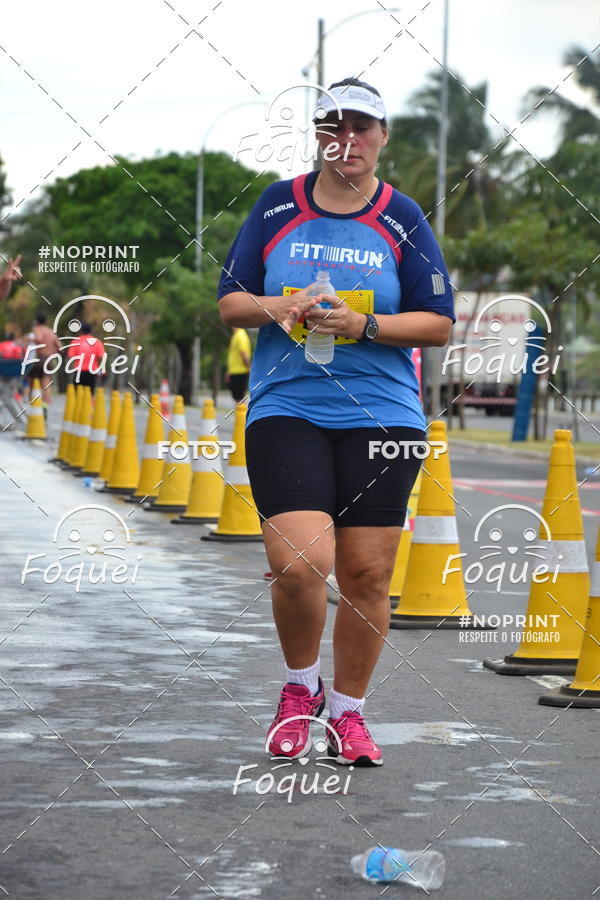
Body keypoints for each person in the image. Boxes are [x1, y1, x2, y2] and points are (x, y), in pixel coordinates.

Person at [217, 78, 454, 767]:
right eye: (332, 127)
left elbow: (437, 322)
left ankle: (348, 713)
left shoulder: (402, 216)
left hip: (382, 415)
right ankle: (299, 689)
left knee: (366, 576)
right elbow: (230, 303)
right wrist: (280, 307)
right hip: (288, 406)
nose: (346, 140)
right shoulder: (275, 206)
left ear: (383, 138)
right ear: (317, 135)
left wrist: (365, 323)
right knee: (299, 563)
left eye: (361, 128)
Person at [26, 312, 61, 406]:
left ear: (36, 321)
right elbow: (60, 347)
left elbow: (39, 338)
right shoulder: (51, 332)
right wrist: (53, 352)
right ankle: (45, 405)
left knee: (32, 382)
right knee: (46, 383)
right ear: (46, 321)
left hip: (40, 359)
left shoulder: (37, 329)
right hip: (49, 359)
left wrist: (29, 340)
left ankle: (32, 404)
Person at [66, 322, 105, 392]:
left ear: (81, 330)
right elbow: (102, 357)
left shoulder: (75, 341)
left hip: (79, 371)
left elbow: (70, 357)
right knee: (90, 393)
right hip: (92, 371)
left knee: (78, 393)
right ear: (91, 330)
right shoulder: (97, 342)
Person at [225, 326, 252, 402]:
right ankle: (240, 413)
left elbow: (244, 354)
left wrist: (249, 367)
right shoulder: (236, 335)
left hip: (240, 371)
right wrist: (229, 371)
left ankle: (242, 414)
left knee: (240, 398)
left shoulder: (241, 336)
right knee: (237, 398)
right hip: (235, 371)